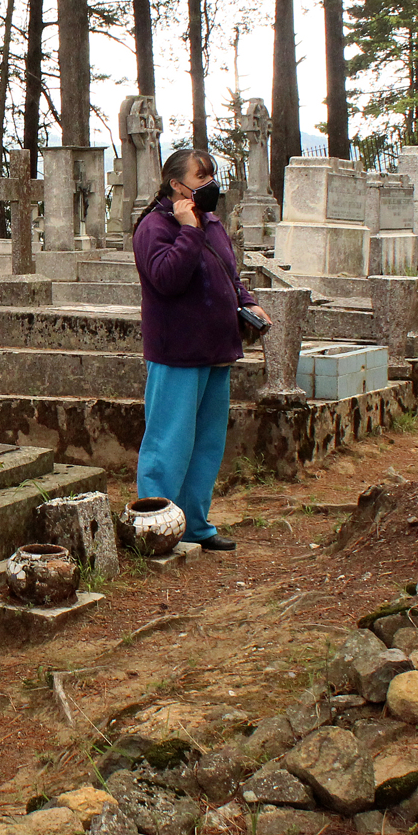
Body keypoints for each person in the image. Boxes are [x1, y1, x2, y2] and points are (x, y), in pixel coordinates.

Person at [130, 147, 268, 552]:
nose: (210, 184)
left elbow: (227, 271)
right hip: (177, 352)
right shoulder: (154, 228)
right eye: (200, 176)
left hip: (216, 349)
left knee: (206, 446)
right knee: (167, 444)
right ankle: (153, 526)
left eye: (211, 175)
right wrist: (188, 229)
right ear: (177, 185)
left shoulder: (213, 223)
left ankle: (193, 525)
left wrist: (247, 300)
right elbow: (167, 278)